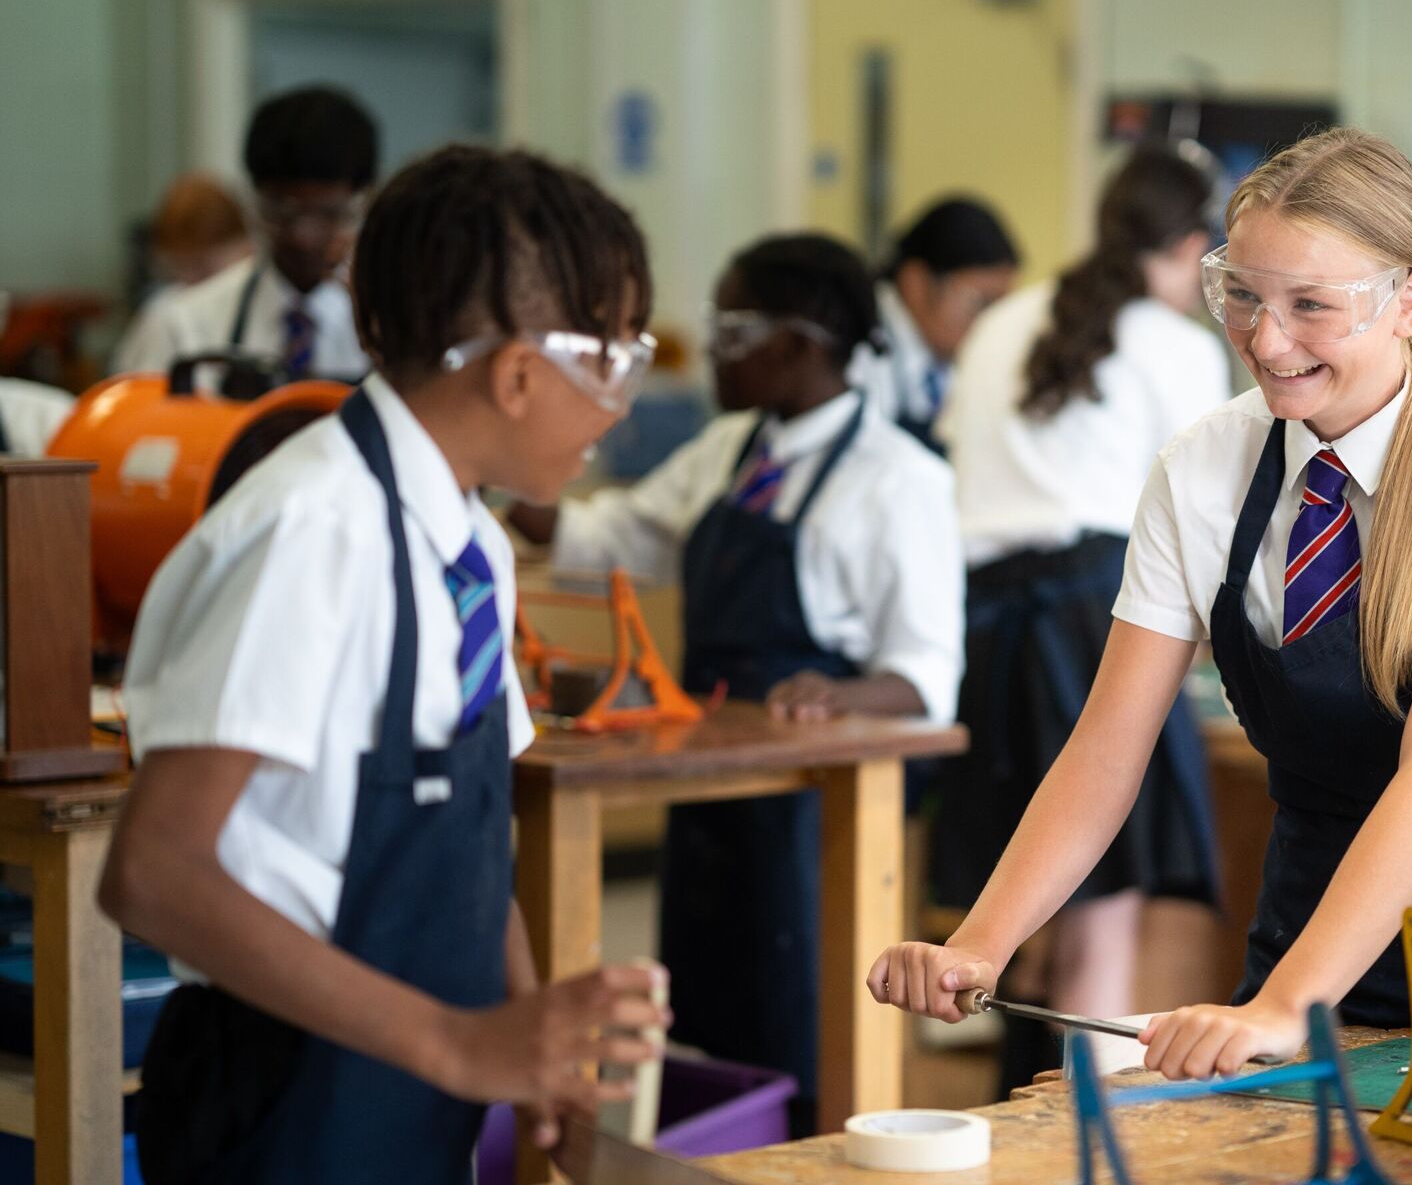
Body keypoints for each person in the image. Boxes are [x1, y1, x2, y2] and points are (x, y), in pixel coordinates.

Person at [870, 127, 1412, 1078]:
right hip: (1315, 940)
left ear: (1411, 299)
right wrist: (980, 944)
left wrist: (1282, 1008)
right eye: (1243, 297)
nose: (1267, 342)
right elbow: (1108, 748)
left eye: (1310, 306)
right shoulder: (1202, 467)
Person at [99, 145, 670, 1184]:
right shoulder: (311, 533)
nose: (621, 403)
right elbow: (153, 874)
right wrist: (456, 1044)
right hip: (284, 1095)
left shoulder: (473, 546)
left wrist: (525, 1043)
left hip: (411, 1087)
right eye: (614, 361)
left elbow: (468, 840)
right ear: (516, 372)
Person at [510, 233, 963, 1130]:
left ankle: (809, 1147)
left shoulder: (898, 480)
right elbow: (613, 538)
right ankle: (731, 1139)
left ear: (798, 343)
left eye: (732, 328)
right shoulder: (729, 451)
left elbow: (924, 677)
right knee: (715, 1006)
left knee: (800, 1006)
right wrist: (506, 467)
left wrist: (842, 695)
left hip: (811, 802)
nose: (711, 346)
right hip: (707, 778)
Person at [928, 143, 1228, 1081]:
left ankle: (1026, 1124)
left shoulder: (1002, 321)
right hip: (1093, 619)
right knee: (1100, 915)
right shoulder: (1174, 346)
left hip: (984, 625)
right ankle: (1072, 1150)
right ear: (1185, 247)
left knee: (1020, 912)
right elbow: (1202, 509)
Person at [112, 86, 378, 389]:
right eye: (282, 212)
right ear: (253, 197)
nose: (303, 237)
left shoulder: (400, 338)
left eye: (329, 214)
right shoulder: (181, 327)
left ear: (365, 201)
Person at [853, 197, 1020, 451]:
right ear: (916, 284)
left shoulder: (951, 354)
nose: (991, 324)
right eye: (981, 303)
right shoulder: (860, 347)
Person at [146, 172, 256, 291]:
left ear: (245, 245)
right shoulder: (171, 303)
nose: (191, 280)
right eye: (179, 268)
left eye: (201, 266)